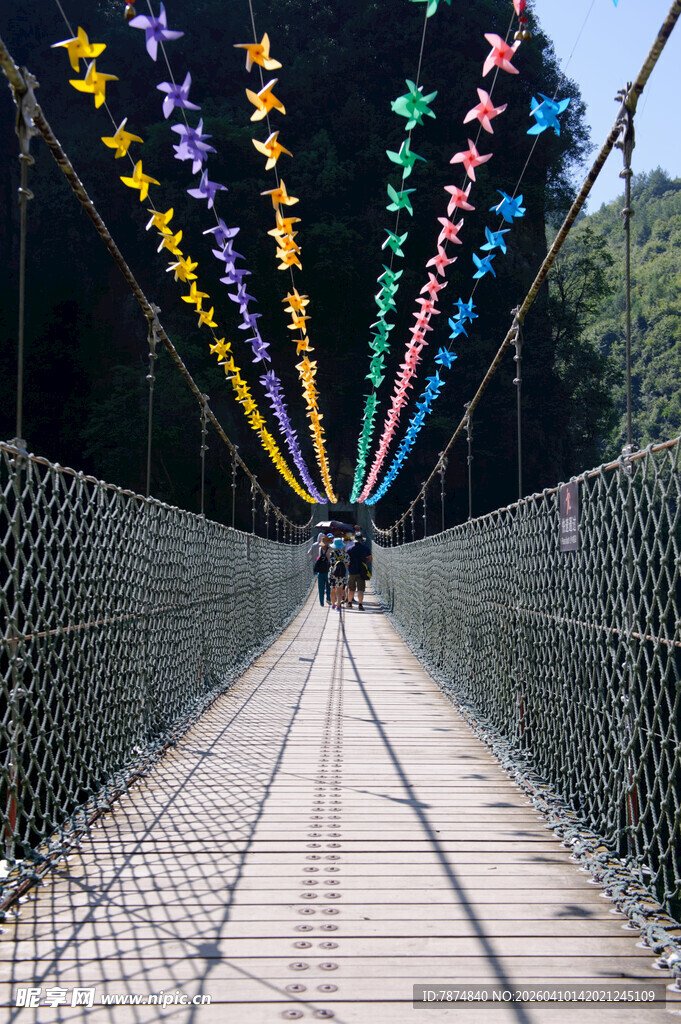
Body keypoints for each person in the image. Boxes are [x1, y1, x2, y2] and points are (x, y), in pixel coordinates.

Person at [346, 533, 372, 610]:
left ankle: (349, 603)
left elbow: (347, 562)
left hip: (352, 571)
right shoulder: (365, 548)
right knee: (361, 589)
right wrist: (364, 561)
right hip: (362, 572)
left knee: (351, 589)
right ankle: (360, 605)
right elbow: (370, 559)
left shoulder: (349, 549)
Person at [310, 533, 332, 607]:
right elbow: (330, 560)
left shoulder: (320, 549)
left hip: (320, 571)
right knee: (329, 586)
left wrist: (313, 560)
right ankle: (328, 598)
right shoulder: (330, 549)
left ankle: (321, 603)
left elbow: (318, 558)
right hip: (328, 571)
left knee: (321, 587)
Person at [328, 537, 349, 611]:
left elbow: (330, 562)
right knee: (339, 590)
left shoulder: (331, 553)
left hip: (332, 574)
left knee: (332, 590)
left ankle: (333, 604)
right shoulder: (345, 554)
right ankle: (338, 606)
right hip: (342, 574)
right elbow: (347, 564)